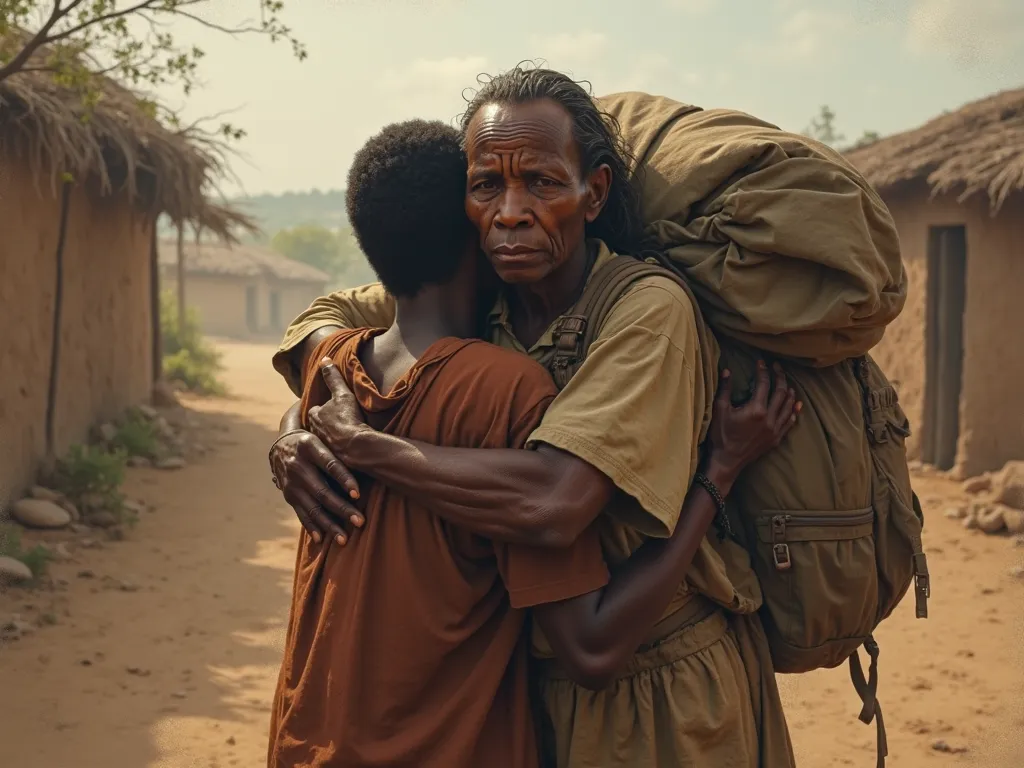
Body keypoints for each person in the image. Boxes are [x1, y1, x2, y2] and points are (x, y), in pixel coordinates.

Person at [269, 68, 798, 767]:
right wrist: (291, 430)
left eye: (542, 184)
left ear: (593, 193)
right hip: (525, 685)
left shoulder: (644, 311)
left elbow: (557, 500)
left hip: (660, 685)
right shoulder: (487, 290)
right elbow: (333, 320)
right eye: (487, 186)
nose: (510, 211)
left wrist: (361, 445)